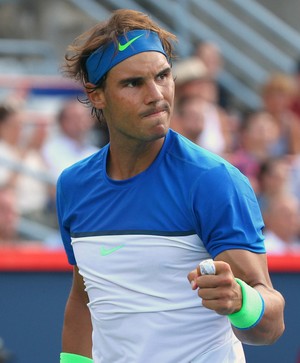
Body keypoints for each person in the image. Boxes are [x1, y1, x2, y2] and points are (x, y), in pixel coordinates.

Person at [56, 9, 285, 363]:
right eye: (133, 83)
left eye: (163, 76)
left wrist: (241, 301)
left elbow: (271, 324)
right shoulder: (74, 186)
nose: (157, 95)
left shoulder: (213, 181)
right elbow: (84, 298)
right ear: (96, 95)